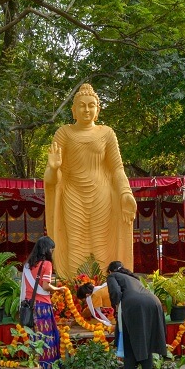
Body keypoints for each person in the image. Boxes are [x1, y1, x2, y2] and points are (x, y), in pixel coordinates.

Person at [44, 83, 137, 278]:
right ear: (74, 110)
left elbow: (117, 169)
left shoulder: (107, 133)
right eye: (82, 105)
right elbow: (52, 179)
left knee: (100, 244)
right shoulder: (64, 133)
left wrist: (125, 193)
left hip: (101, 195)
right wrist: (53, 168)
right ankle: (74, 290)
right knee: (75, 242)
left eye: (91, 105)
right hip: (72, 194)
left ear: (97, 110)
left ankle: (102, 290)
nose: (87, 109)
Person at [106, 260, 167, 369]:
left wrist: (116, 306)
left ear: (110, 271)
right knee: (146, 344)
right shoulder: (132, 277)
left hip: (134, 307)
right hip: (154, 304)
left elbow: (115, 292)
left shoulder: (112, 276)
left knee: (129, 345)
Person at [21, 236, 67, 369]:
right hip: (42, 306)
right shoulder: (46, 264)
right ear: (47, 250)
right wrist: (58, 289)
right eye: (52, 250)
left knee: (33, 336)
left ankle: (33, 367)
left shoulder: (28, 265)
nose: (52, 253)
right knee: (46, 337)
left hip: (29, 305)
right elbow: (45, 286)